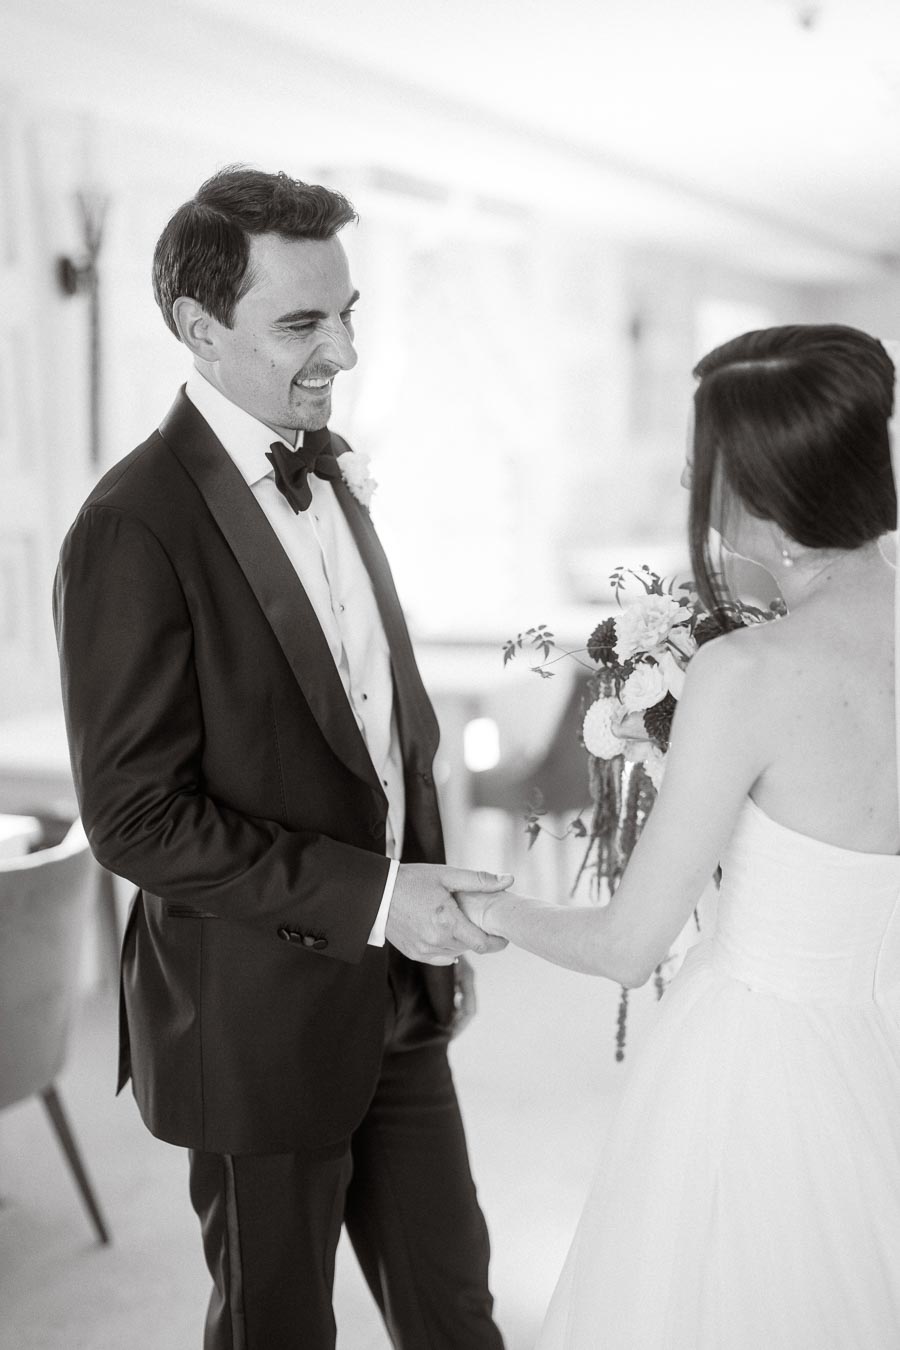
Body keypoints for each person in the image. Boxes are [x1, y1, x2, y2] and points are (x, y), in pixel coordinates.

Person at [53, 166, 511, 1350]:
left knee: (456, 1303)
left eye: (348, 313)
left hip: (398, 996)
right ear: (200, 331)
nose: (343, 351)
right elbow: (137, 821)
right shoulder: (130, 526)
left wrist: (427, 930)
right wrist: (377, 900)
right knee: (279, 1327)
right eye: (303, 323)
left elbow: (382, 730)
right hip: (254, 1022)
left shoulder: (333, 469)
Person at [460, 324, 900, 1348]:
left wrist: (491, 904)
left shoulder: (746, 674)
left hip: (763, 1070)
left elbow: (629, 946)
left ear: (750, 485)